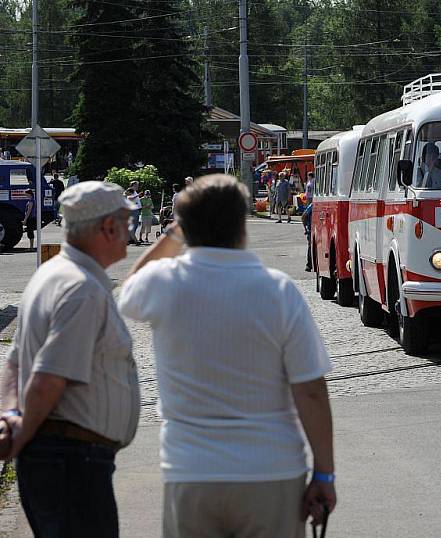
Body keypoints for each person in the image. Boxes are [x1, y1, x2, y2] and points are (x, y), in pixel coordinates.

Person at [117, 174, 335, 538]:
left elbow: (128, 288)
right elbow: (310, 389)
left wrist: (173, 234)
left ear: (186, 226)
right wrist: (324, 474)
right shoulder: (278, 290)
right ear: (242, 224)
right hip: (271, 470)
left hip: (191, 470)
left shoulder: (162, 283)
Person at [1, 181, 140, 537]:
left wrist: (12, 415)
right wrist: (19, 436)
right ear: (108, 227)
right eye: (126, 221)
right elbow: (48, 378)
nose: (130, 230)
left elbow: (15, 361)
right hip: (72, 460)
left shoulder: (52, 274)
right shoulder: (81, 288)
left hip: (63, 458)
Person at [127, 180, 142, 245]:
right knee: (133, 225)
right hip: (133, 210)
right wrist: (138, 195)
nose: (137, 186)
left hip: (135, 209)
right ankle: (130, 239)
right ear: (133, 185)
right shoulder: (130, 190)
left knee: (135, 225)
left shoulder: (134, 191)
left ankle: (130, 239)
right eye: (136, 185)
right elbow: (129, 198)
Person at [302, 202, 313, 272]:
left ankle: (309, 265)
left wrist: (305, 229)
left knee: (310, 247)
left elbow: (303, 216)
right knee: (310, 247)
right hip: (311, 230)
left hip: (311, 230)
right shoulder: (312, 206)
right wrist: (306, 229)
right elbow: (303, 216)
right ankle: (309, 265)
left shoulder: (312, 205)